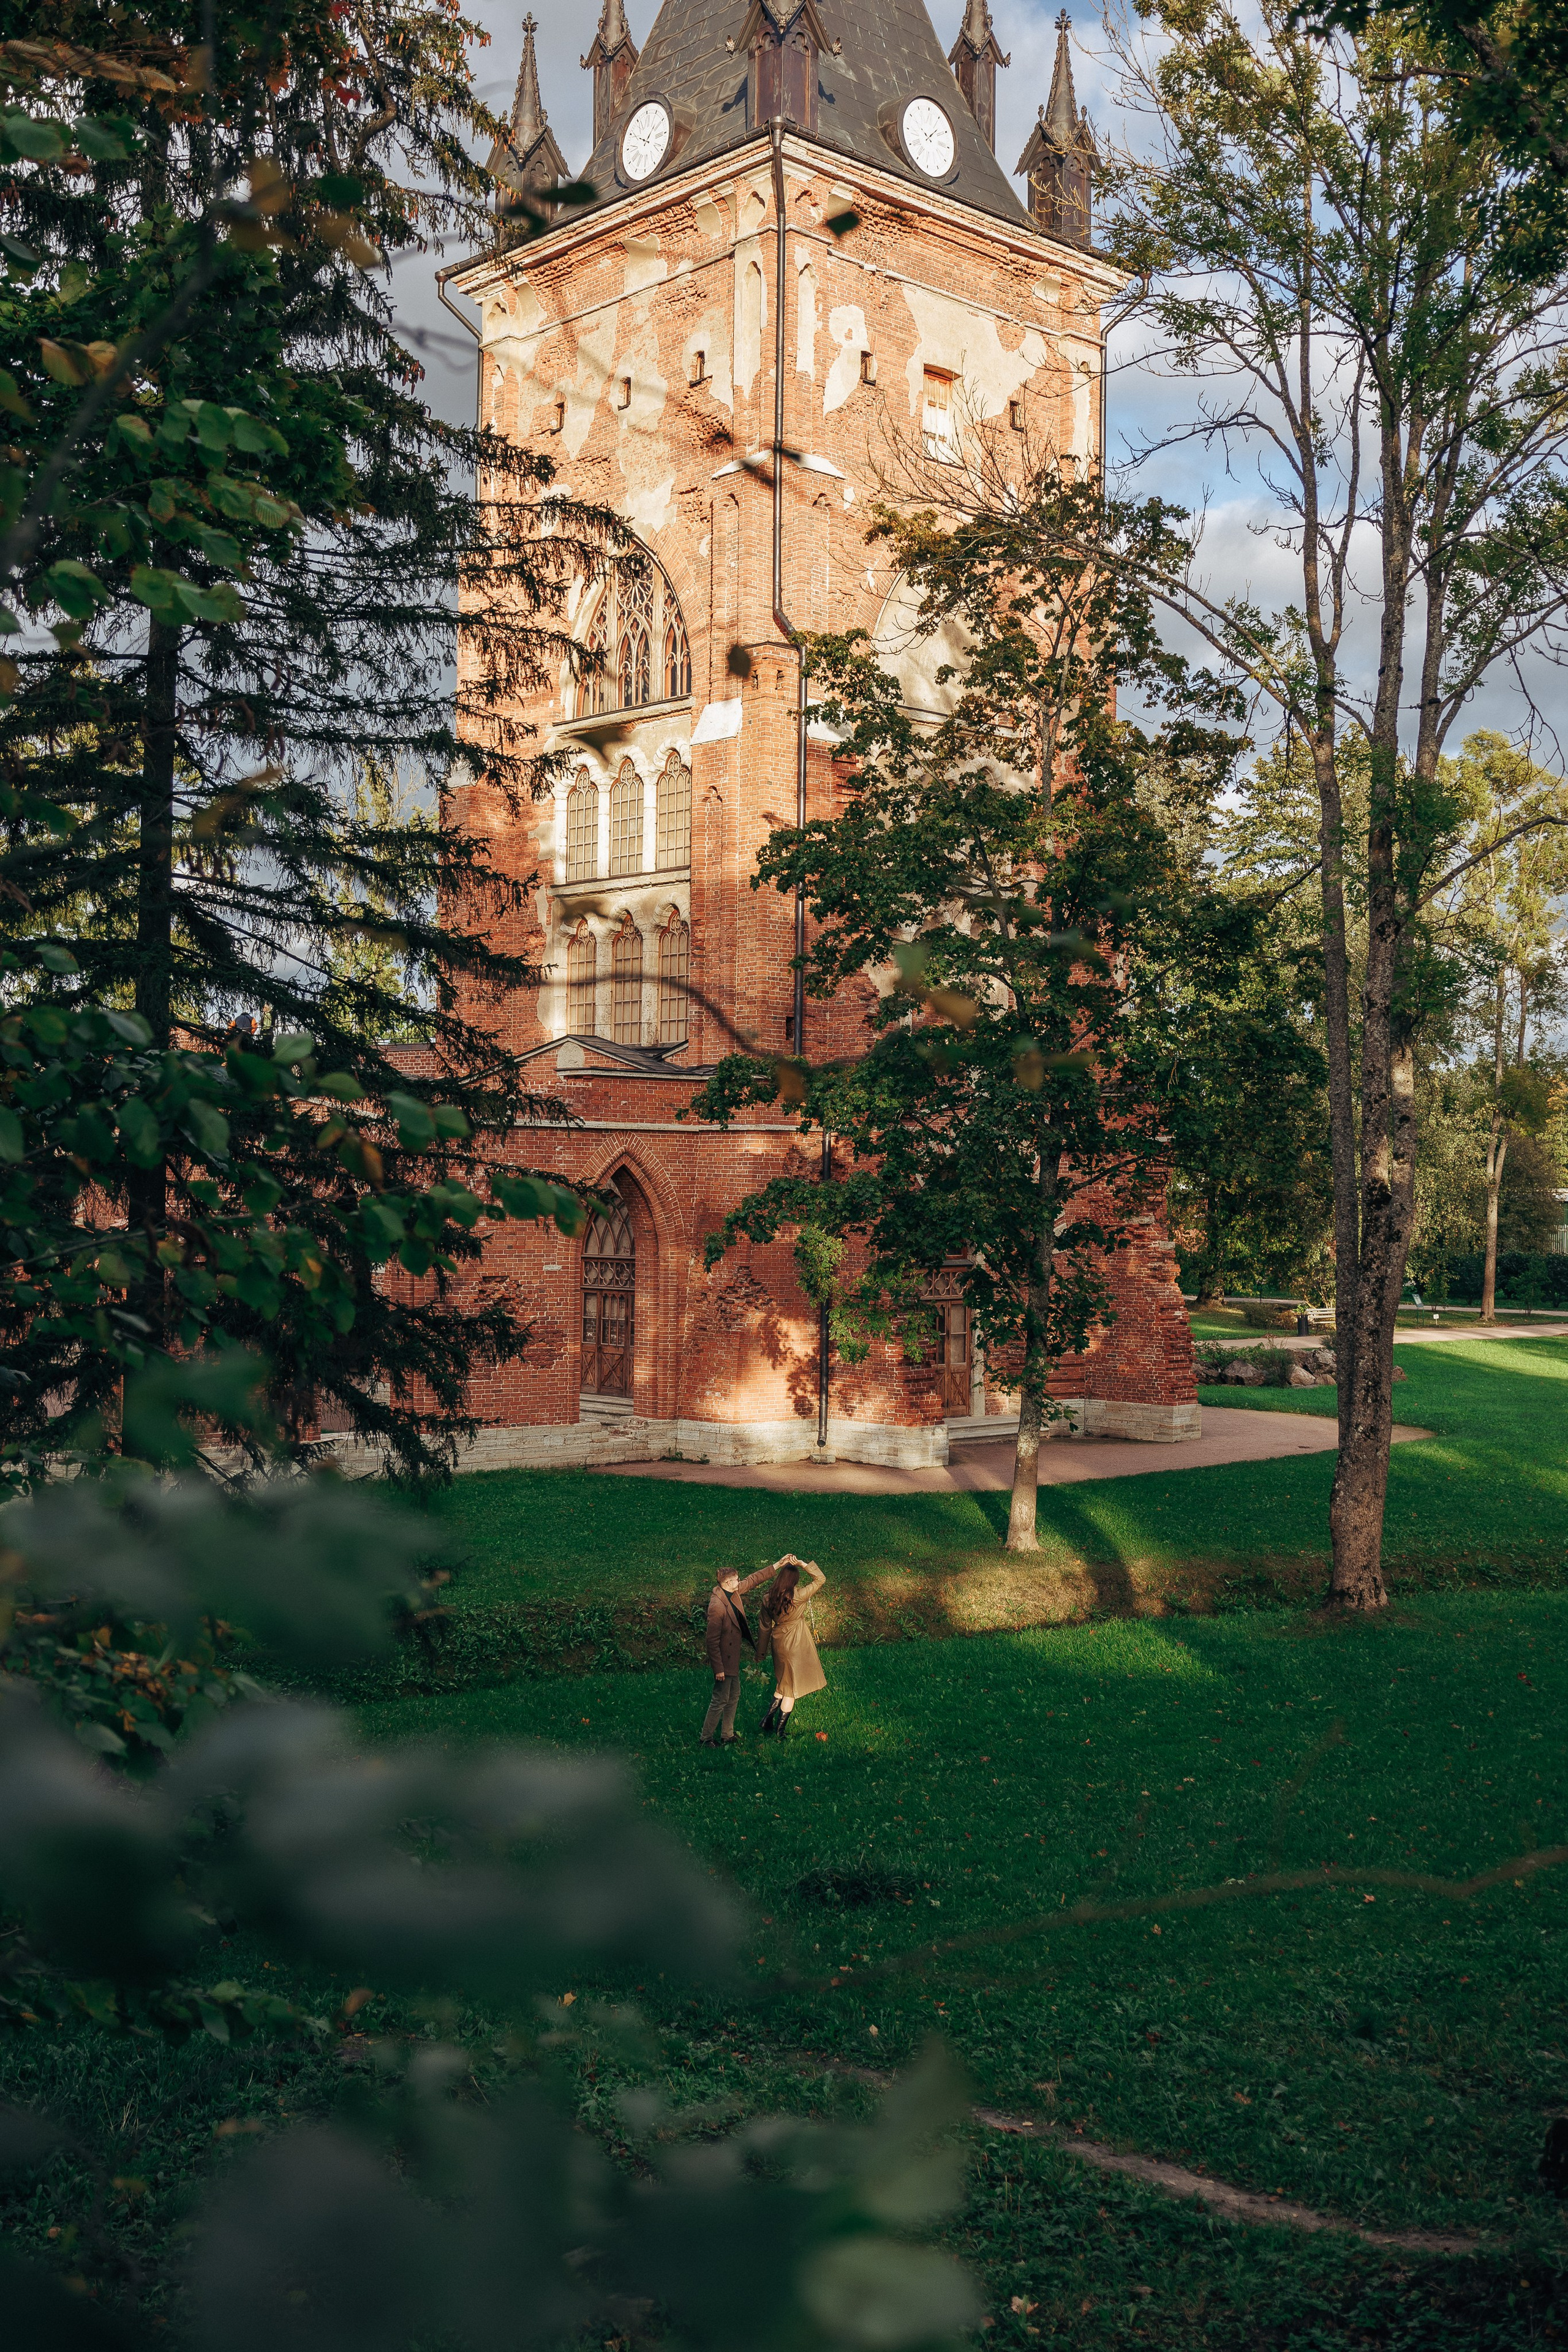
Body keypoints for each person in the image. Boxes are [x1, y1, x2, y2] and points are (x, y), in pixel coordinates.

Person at [698, 1564, 771, 1746]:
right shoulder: (717, 1607)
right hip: (724, 1663)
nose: (740, 1582)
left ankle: (727, 1735)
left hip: (732, 1660)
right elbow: (712, 1641)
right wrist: (719, 1669)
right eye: (737, 1580)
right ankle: (706, 1739)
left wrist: (777, 1565)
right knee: (720, 1699)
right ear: (728, 1582)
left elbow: (754, 1579)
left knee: (734, 1695)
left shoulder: (734, 1592)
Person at [755, 1553, 826, 1739]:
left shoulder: (767, 1598)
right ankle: (780, 1731)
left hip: (778, 1643)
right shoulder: (799, 1596)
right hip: (795, 1644)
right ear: (794, 1581)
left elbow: (764, 1627)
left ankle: (767, 1720)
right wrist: (803, 1564)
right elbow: (820, 1579)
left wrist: (761, 1653)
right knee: (791, 1690)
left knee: (784, 1682)